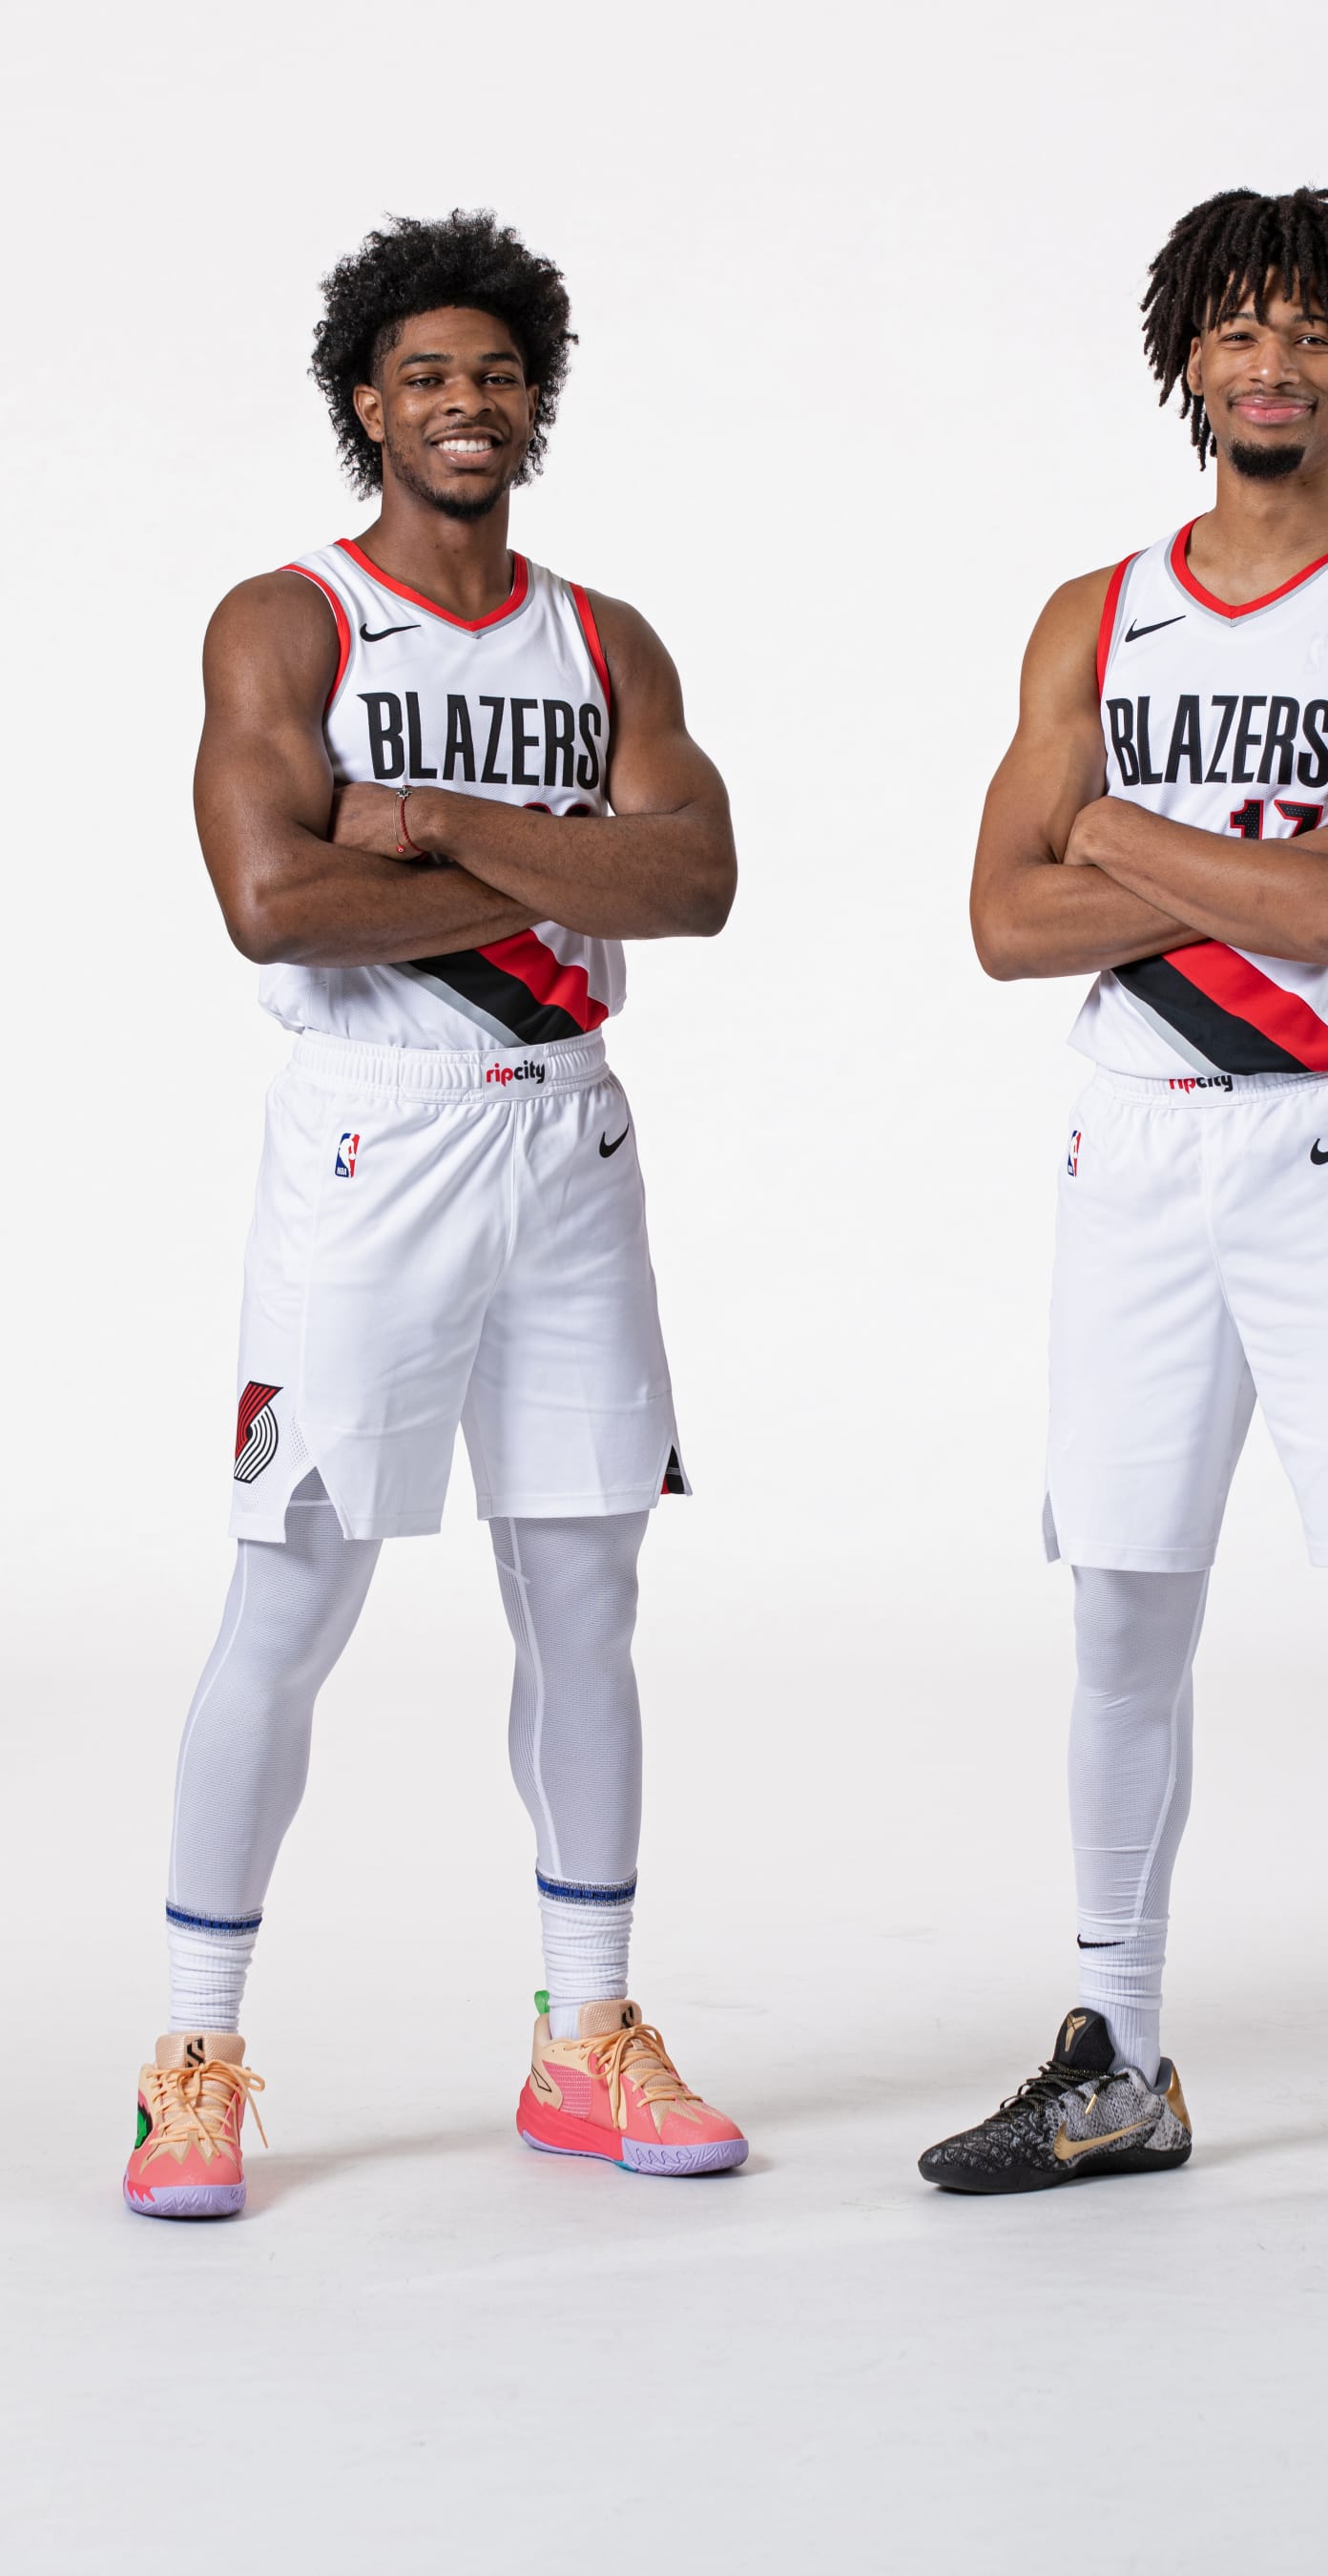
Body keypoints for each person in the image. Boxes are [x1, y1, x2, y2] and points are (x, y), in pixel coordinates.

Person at [918, 185, 1328, 2241]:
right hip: (1130, 1152)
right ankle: (1117, 2056)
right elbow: (997, 921)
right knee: (1122, 1601)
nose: (1271, 360)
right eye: (1236, 329)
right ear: (1185, 359)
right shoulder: (1091, 611)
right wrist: (1232, 859)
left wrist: (1115, 824)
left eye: (1310, 328)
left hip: (1327, 1145)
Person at [125, 210, 748, 2218]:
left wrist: (433, 822)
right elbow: (274, 902)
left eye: (494, 373)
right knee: (292, 1598)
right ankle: (192, 2053)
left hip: (567, 1143)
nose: (462, 404)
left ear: (535, 402)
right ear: (365, 407)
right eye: (423, 376)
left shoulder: (607, 638)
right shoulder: (286, 618)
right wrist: (570, 863)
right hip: (368, 1142)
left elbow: (704, 885)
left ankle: (586, 2035)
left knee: (584, 1598)